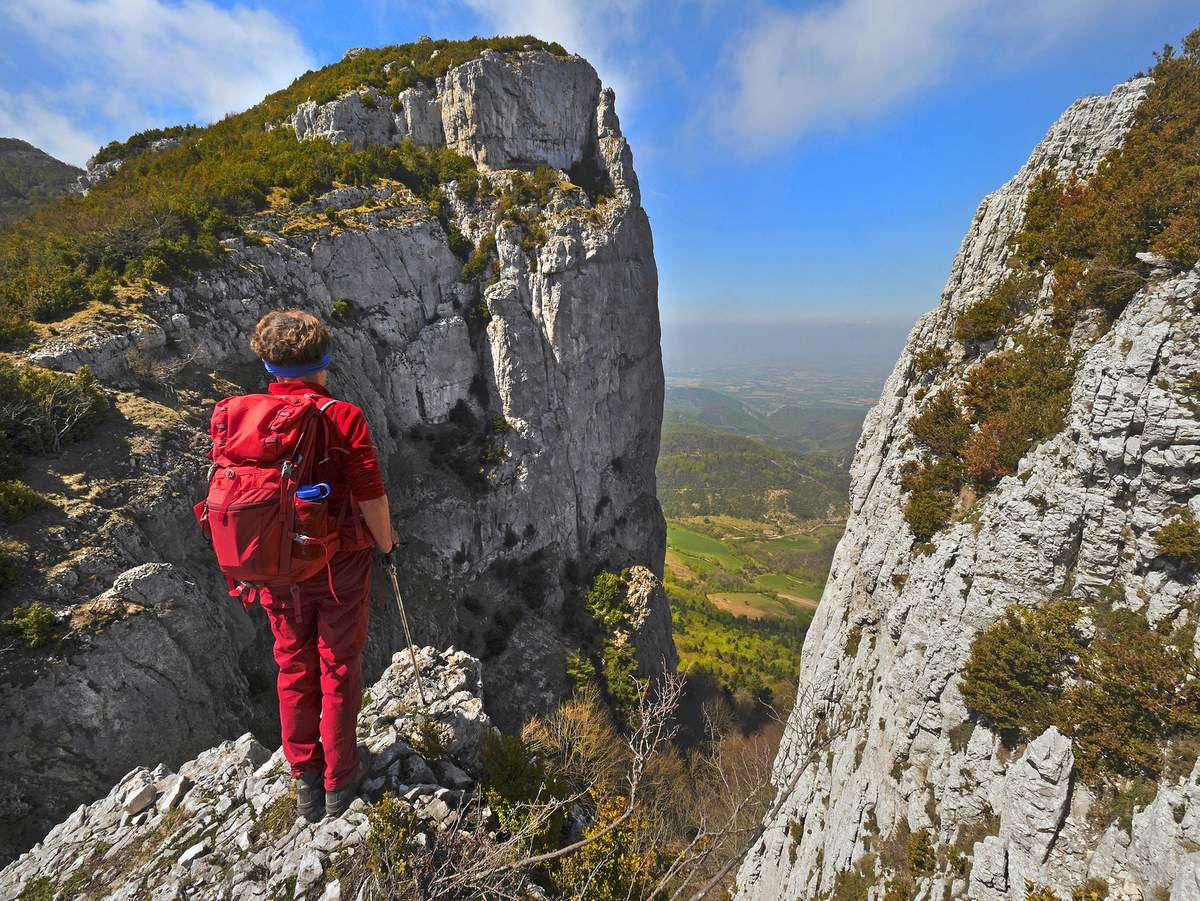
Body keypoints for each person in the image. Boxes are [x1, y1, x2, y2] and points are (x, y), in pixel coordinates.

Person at [244, 309, 396, 821]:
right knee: (337, 664)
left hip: (273, 566)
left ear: (266, 363)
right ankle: (340, 777)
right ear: (325, 362)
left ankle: (305, 780)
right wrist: (388, 543)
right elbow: (371, 495)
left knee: (292, 663)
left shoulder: (241, 417)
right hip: (338, 565)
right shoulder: (343, 416)